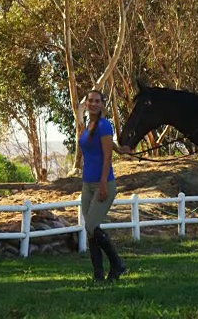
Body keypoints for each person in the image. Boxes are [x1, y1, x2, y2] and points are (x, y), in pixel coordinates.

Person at [79, 89, 128, 282]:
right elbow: (107, 146)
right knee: (90, 231)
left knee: (91, 227)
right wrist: (121, 149)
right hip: (87, 184)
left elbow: (107, 155)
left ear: (102, 104)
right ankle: (98, 275)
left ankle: (117, 264)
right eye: (90, 100)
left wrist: (102, 184)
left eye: (97, 101)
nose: (93, 103)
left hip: (103, 183)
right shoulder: (87, 125)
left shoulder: (104, 125)